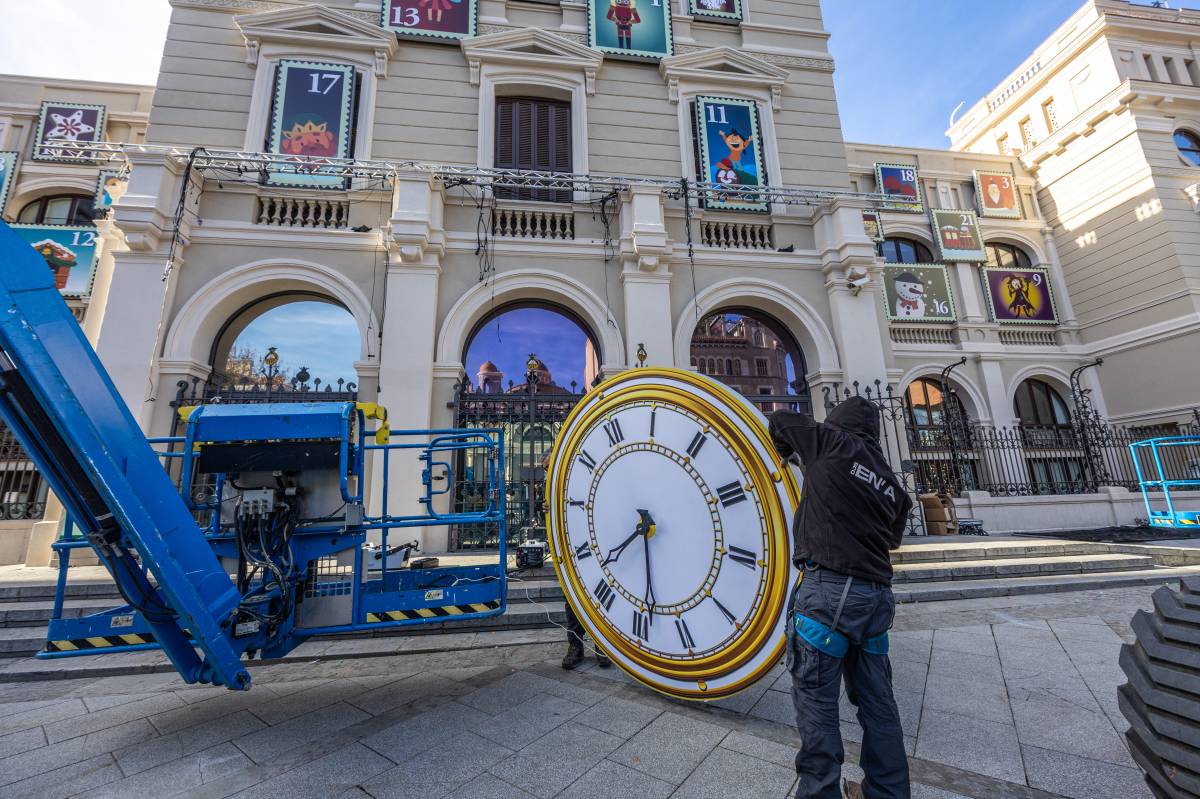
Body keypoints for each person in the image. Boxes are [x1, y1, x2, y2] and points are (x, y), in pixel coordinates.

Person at [769, 397, 912, 799]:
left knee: (817, 712)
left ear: (836, 422)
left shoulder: (828, 441)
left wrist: (791, 455)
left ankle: (820, 793)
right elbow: (892, 540)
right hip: (876, 599)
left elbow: (780, 420)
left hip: (829, 594)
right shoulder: (892, 484)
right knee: (878, 706)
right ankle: (888, 791)